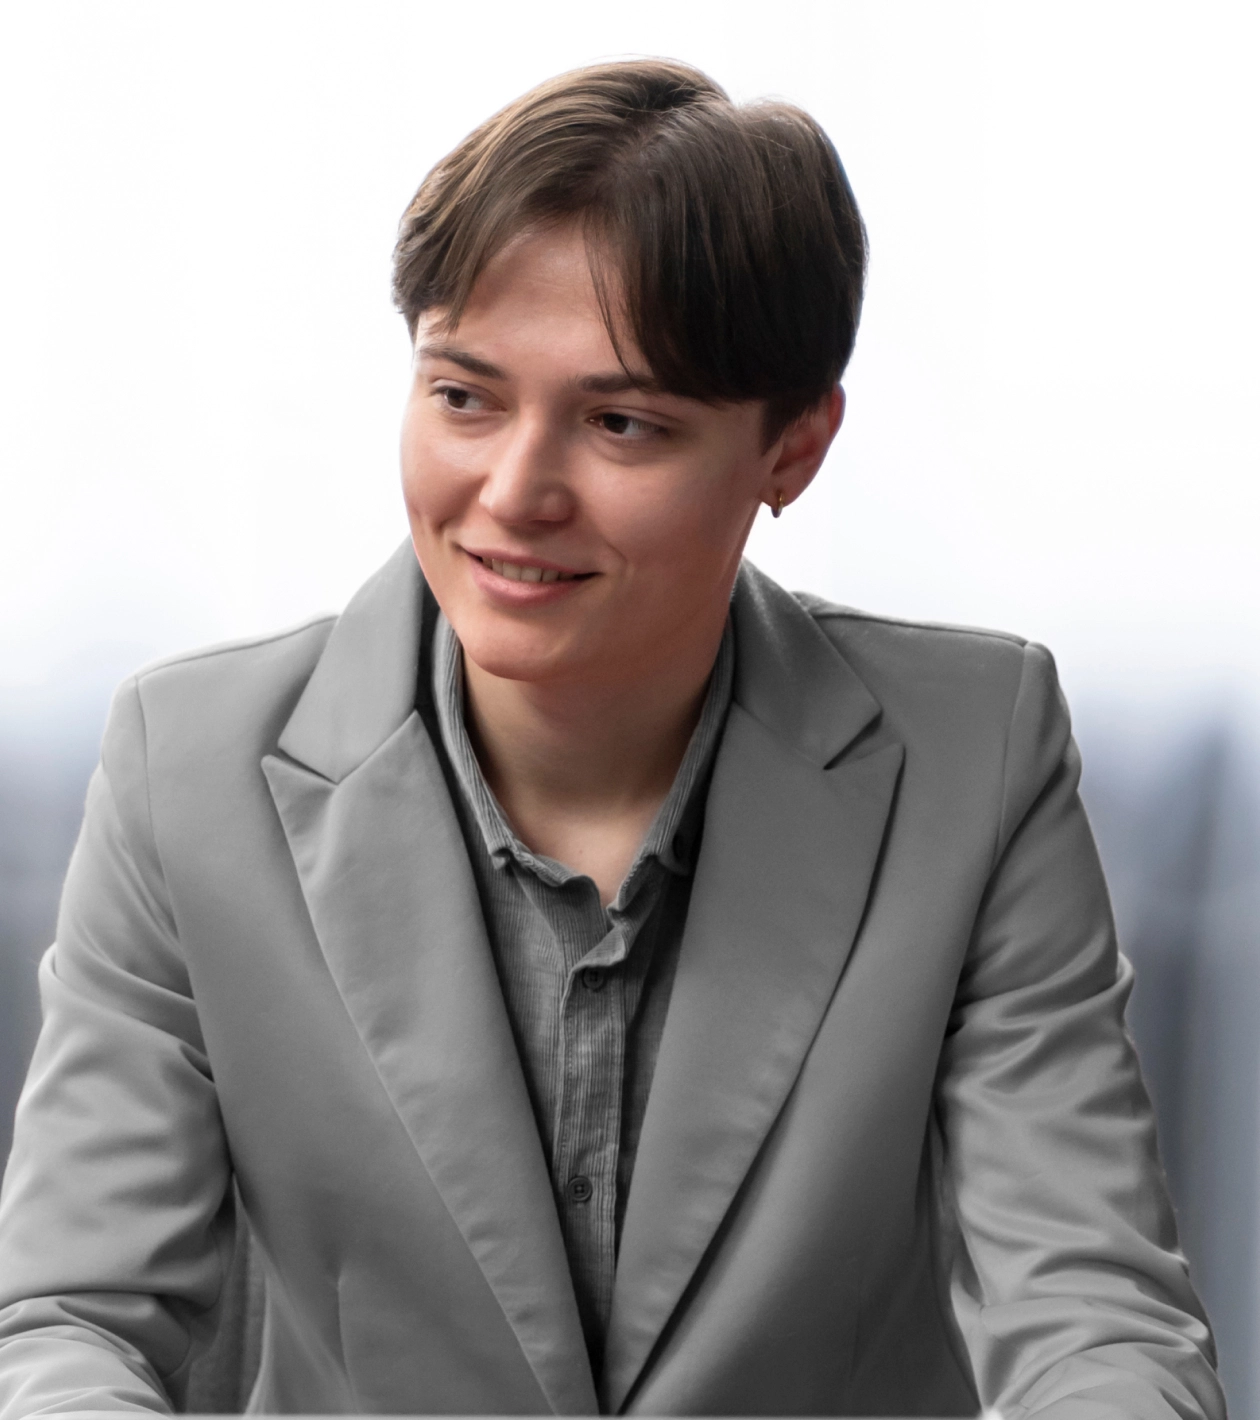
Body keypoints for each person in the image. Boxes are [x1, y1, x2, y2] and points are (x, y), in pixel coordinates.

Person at [0, 58, 1225, 1419]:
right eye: (464, 397)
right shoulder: (188, 764)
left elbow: (1094, 1319)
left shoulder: (973, 753)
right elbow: (68, 1321)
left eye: (621, 422)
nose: (515, 492)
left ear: (793, 449)